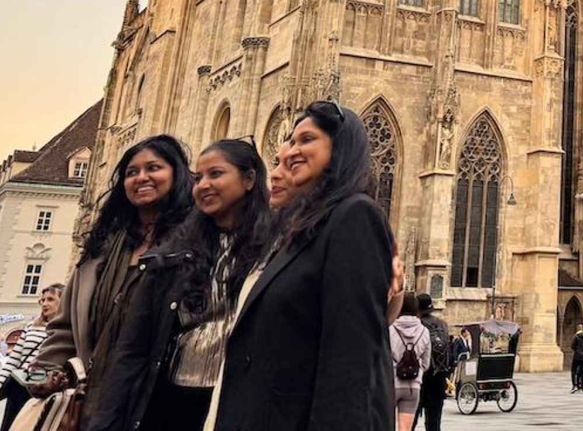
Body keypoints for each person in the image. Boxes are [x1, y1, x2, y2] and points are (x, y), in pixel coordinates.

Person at [211, 101, 396, 431]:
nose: (293, 150)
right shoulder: (298, 230)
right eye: (291, 141)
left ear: (340, 148)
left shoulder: (355, 215)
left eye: (307, 139)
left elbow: (349, 360)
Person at [85, 139, 272, 431]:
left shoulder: (277, 247)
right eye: (198, 178)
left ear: (249, 179)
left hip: (237, 400)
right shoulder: (173, 251)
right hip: (171, 400)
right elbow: (134, 347)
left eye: (216, 174)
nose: (204, 185)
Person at [35, 134, 195, 414]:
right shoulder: (100, 251)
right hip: (92, 400)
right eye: (132, 172)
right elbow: (66, 329)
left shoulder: (195, 244)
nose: (141, 177)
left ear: (177, 175)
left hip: (160, 402)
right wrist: (44, 373)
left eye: (154, 168)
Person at [0, 284, 62, 431]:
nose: (45, 303)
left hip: (46, 390)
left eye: (51, 299)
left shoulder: (67, 330)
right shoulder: (31, 326)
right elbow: (13, 360)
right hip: (21, 386)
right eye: (43, 300)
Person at [390, 292, 430, 431]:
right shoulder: (424, 331)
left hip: (391, 384)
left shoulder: (390, 329)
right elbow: (425, 364)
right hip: (413, 386)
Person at [413, 294, 451, 429]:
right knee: (434, 423)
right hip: (439, 378)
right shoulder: (443, 325)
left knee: (411, 421)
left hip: (421, 378)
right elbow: (449, 353)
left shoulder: (418, 325)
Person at [569, 326, 583, 393]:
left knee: (574, 371)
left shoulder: (576, 337)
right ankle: (581, 386)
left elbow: (572, 346)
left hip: (577, 356)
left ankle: (575, 386)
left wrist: (577, 351)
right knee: (582, 372)